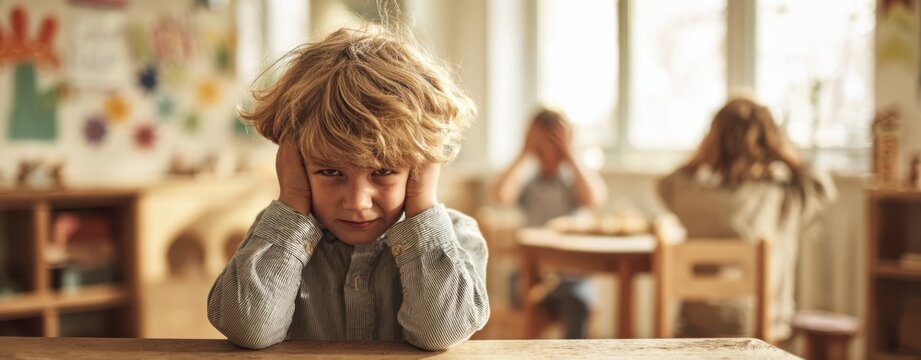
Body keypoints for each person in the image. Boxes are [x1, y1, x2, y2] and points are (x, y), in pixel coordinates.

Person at [207, 27, 489, 351]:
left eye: (383, 172)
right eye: (330, 171)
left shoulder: (457, 237)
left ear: (420, 167)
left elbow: (440, 332)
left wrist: (422, 202)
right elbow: (248, 329)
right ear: (295, 164)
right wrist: (293, 200)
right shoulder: (276, 240)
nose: (357, 202)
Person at [657, 97, 837, 341]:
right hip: (764, 331)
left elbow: (665, 184)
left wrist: (701, 154)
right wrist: (785, 153)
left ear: (711, 144)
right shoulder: (780, 198)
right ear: (770, 145)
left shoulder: (690, 196)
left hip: (697, 331)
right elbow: (823, 188)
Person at [492, 109, 608, 338]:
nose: (547, 153)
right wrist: (524, 153)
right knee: (528, 299)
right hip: (531, 273)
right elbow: (499, 195)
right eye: (540, 145)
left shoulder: (572, 182)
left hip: (572, 275)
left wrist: (571, 156)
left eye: (554, 144)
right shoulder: (529, 183)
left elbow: (595, 198)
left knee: (578, 302)